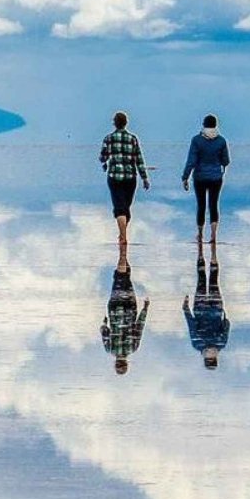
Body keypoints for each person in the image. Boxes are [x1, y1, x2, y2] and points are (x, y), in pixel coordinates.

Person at [100, 111, 150, 246]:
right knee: (126, 207)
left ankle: (122, 236)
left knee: (119, 207)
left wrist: (105, 161)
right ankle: (123, 235)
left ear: (114, 123)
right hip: (130, 178)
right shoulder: (133, 139)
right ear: (126, 123)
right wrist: (145, 178)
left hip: (114, 177)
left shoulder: (108, 138)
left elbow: (102, 157)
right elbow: (139, 160)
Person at [181, 114, 230, 245]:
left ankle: (200, 234)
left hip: (200, 177)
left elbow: (191, 161)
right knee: (214, 205)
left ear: (203, 125)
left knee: (201, 205)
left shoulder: (196, 140)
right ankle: (214, 235)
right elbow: (226, 161)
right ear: (215, 125)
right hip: (216, 177)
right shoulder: (221, 141)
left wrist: (185, 177)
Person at [101, 245, 149, 375]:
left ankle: (123, 251)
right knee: (120, 278)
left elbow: (139, 327)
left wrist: (145, 309)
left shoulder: (133, 348)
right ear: (116, 363)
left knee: (125, 278)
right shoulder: (110, 349)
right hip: (114, 309)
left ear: (127, 363)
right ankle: (122, 251)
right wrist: (105, 322)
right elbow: (104, 330)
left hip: (130, 309)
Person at [183, 239, 229, 370]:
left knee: (214, 280)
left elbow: (227, 325)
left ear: (215, 359)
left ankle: (213, 255)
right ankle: (200, 253)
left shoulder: (221, 344)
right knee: (201, 279)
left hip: (216, 309)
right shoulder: (197, 344)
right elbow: (192, 325)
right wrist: (185, 309)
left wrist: (224, 319)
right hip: (200, 308)